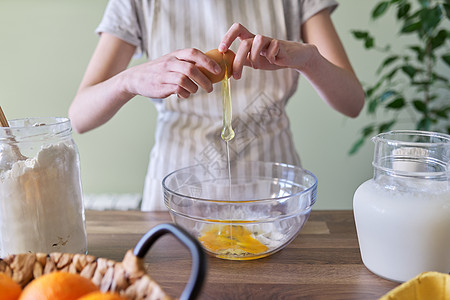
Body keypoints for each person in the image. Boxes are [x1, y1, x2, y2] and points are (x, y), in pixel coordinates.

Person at [69, 0, 365, 211]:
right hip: (177, 199)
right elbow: (80, 116)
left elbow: (352, 102)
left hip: (273, 200)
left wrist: (309, 60)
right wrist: (129, 79)